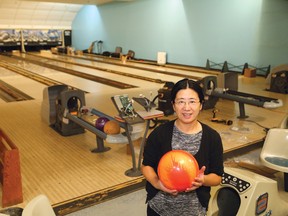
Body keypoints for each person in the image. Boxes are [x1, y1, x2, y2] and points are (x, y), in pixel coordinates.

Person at [141, 78, 224, 216]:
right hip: (158, 209)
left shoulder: (212, 137)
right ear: (173, 105)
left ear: (201, 104)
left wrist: (203, 180)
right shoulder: (159, 133)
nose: (186, 108)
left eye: (192, 101)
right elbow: (146, 165)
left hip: (194, 212)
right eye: (181, 102)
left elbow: (217, 177)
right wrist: (157, 183)